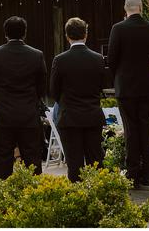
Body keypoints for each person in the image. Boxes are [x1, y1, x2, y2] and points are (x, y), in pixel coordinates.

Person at [0, 15, 47, 183]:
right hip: (28, 115)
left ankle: (1, 202)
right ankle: (33, 197)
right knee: (32, 160)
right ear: (24, 33)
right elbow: (41, 88)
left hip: (3, 115)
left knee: (2, 161)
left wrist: (0, 99)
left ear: (5, 33)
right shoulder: (36, 55)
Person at [107, 0, 149, 187]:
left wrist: (119, 76)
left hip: (126, 86)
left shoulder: (118, 29)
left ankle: (133, 173)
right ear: (141, 8)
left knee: (131, 130)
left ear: (125, 9)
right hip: (146, 85)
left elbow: (111, 60)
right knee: (147, 128)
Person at [50, 17, 105, 181]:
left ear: (67, 36)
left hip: (70, 117)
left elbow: (54, 91)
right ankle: (99, 197)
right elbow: (100, 85)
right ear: (86, 35)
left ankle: (78, 198)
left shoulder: (60, 60)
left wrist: (66, 102)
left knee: (74, 164)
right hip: (92, 115)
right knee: (96, 161)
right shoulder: (97, 58)